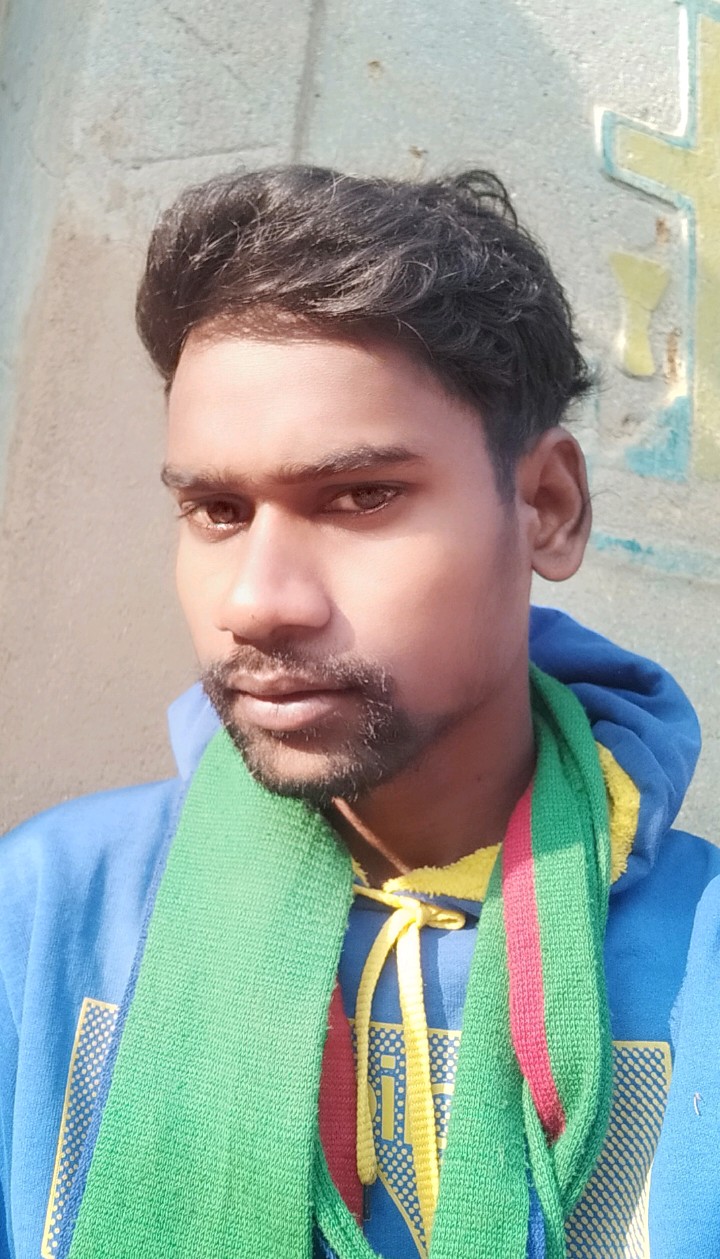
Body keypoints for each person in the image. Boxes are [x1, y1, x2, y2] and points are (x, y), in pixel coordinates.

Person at [0, 166, 716, 1259]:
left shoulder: (699, 956)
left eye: (359, 497)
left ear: (548, 507)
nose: (257, 602)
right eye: (217, 509)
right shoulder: (48, 913)